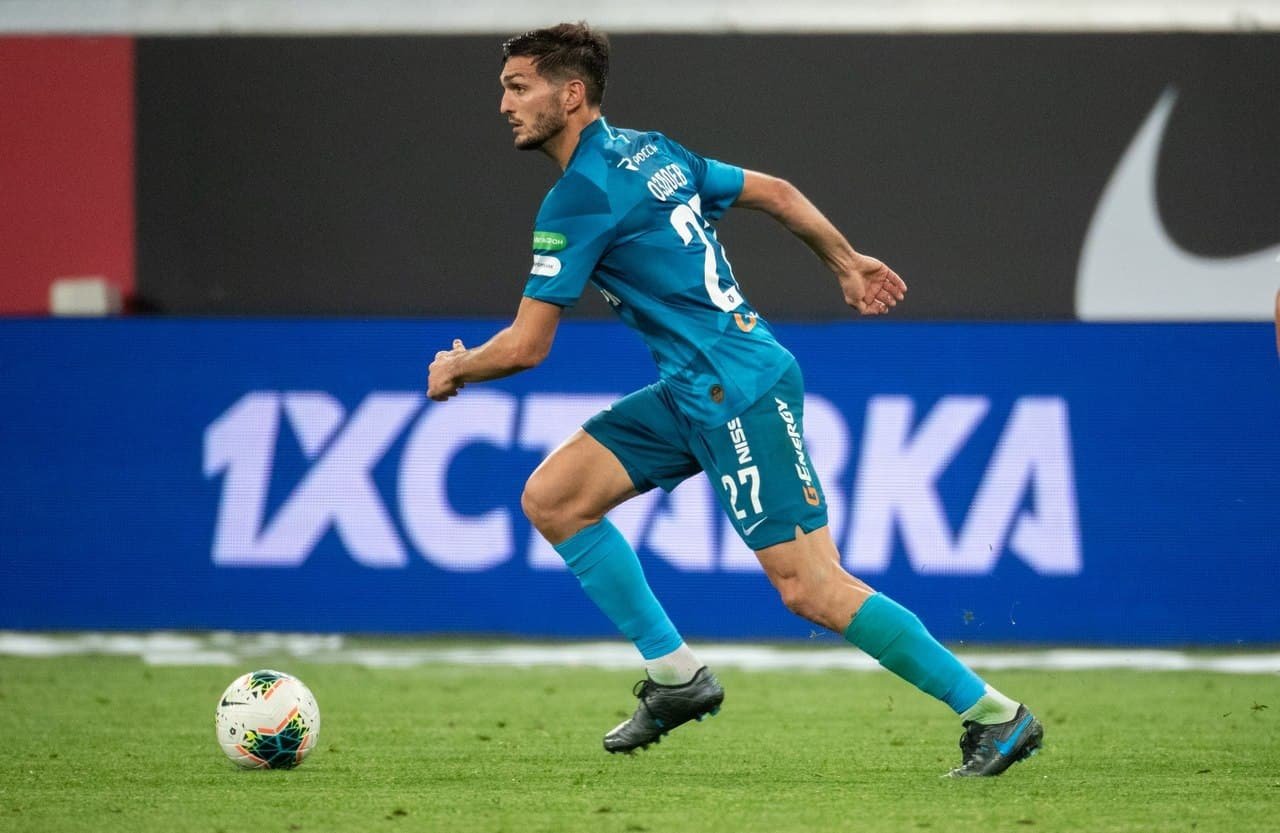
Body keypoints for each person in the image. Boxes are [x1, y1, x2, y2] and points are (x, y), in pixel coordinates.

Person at [427, 22, 1043, 777]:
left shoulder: (577, 199)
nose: (505, 104)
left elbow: (527, 346)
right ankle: (676, 676)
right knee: (555, 498)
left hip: (737, 392)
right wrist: (845, 262)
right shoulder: (653, 151)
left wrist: (460, 367)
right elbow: (777, 193)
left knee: (812, 588)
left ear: (573, 94)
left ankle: (995, 715)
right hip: (697, 388)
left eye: (519, 87)